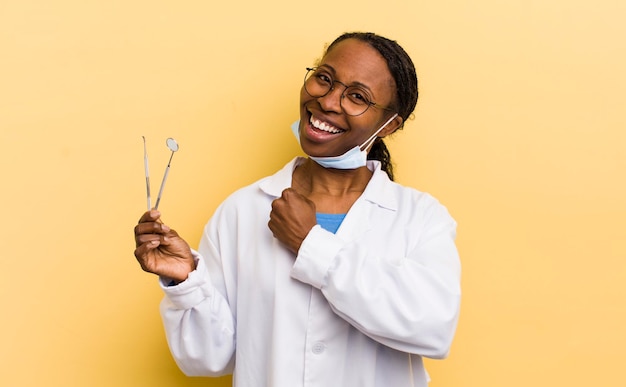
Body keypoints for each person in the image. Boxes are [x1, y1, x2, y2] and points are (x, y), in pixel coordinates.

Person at [134, 31, 461, 387]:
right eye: (324, 78)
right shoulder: (241, 211)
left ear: (389, 124)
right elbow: (210, 358)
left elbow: (433, 327)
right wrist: (187, 281)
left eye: (357, 97)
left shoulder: (421, 218)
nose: (329, 101)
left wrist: (312, 246)